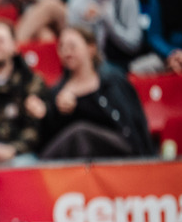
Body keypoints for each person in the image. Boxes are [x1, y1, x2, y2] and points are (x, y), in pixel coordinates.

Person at [41, 25, 154, 159]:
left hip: (121, 147)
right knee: (79, 137)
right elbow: (54, 138)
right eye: (62, 47)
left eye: (72, 46)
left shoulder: (113, 80)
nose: (66, 51)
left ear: (91, 49)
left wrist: (146, 156)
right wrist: (54, 112)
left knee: (81, 133)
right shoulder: (57, 92)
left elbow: (135, 120)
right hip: (78, 159)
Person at [0, 20, 48, 164]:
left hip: (19, 155)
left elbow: (35, 130)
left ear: (14, 46)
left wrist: (13, 149)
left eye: (0, 40)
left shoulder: (31, 81)